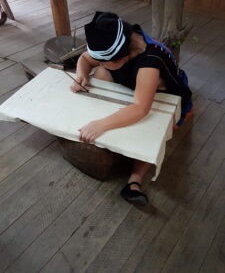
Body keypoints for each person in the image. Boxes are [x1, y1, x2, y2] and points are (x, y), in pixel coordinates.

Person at [71, 11, 193, 206]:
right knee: (101, 73)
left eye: (104, 60)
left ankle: (134, 180)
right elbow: (85, 60)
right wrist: (81, 75)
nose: (99, 63)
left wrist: (101, 125)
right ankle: (110, 129)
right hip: (133, 84)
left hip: (162, 95)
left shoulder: (149, 62)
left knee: (153, 125)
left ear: (125, 57)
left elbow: (140, 108)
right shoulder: (121, 39)